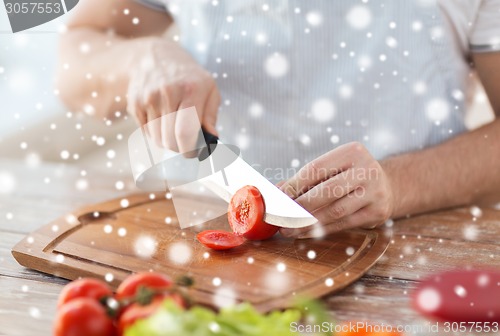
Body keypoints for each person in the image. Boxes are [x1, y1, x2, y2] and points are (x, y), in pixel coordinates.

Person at [56, 0, 500, 238]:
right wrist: (141, 59)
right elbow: (75, 57)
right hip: (213, 243)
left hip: (407, 247)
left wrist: (400, 184)